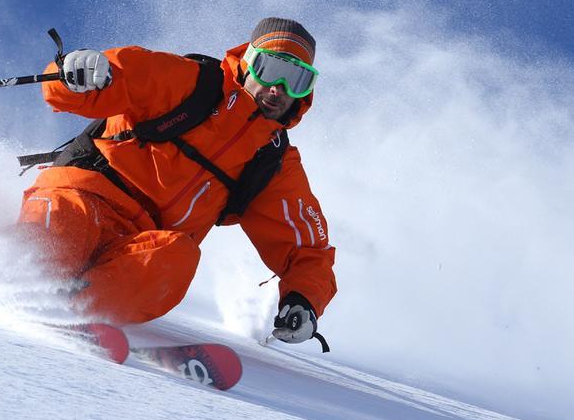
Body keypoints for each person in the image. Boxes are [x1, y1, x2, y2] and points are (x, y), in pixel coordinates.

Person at [17, 17, 336, 349]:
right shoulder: (194, 83)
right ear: (248, 63)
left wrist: (305, 299)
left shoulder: (272, 163)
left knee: (177, 258)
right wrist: (80, 73)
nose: (278, 89)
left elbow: (308, 249)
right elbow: (118, 75)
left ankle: (73, 311)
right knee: (60, 240)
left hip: (139, 242)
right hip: (84, 194)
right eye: (270, 69)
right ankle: (13, 278)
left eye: (296, 80)